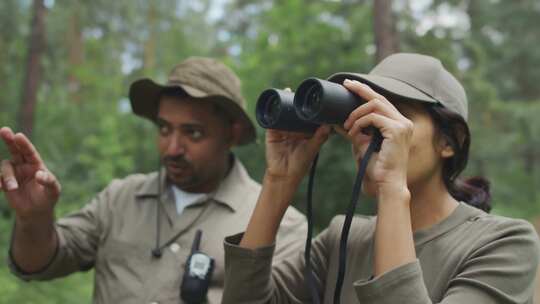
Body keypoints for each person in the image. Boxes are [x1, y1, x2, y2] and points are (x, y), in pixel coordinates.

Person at [221, 53, 540, 303]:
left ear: (449, 140)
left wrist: (392, 187)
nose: (366, 134)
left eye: (390, 117)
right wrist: (279, 180)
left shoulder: (504, 244)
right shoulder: (342, 239)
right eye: (359, 116)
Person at [0, 57, 307, 303]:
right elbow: (37, 264)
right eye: (163, 129)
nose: (172, 148)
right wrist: (34, 219)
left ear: (233, 133)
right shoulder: (119, 199)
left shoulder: (282, 225)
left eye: (193, 132)